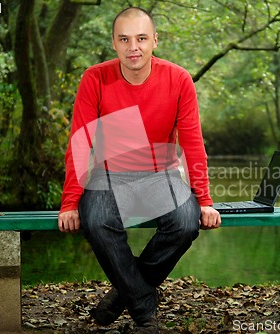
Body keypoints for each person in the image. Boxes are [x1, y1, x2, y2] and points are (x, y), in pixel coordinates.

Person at [57, 6, 221, 334]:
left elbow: (192, 143)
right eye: (125, 39)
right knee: (96, 220)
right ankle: (144, 306)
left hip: (160, 175)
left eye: (141, 38)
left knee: (185, 222)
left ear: (154, 41)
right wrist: (70, 202)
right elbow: (80, 142)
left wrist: (204, 200)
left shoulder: (178, 79)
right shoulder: (95, 78)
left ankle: (122, 296)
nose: (134, 46)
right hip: (107, 175)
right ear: (114, 44)